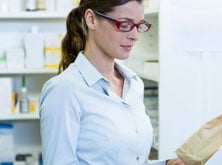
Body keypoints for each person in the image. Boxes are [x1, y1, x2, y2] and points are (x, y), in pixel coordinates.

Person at [39, 0, 184, 164]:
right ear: (91, 19)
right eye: (124, 24)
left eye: (139, 25)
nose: (135, 36)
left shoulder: (134, 85)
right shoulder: (64, 90)